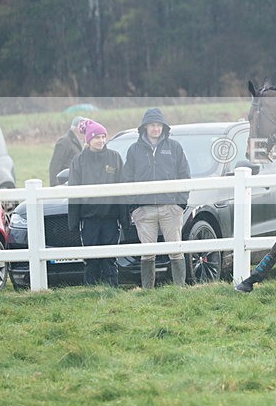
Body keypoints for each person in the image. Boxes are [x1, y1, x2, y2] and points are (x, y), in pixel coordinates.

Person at [122, 108, 191, 288]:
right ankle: (147, 290)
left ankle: (179, 288)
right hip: (144, 209)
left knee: (176, 249)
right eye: (152, 125)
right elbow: (127, 179)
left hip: (170, 207)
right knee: (147, 252)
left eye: (159, 125)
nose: (156, 129)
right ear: (145, 127)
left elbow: (185, 175)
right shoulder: (134, 150)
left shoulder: (174, 147)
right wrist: (134, 207)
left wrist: (180, 204)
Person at [67, 119, 127, 286]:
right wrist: (73, 222)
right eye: (97, 137)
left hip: (110, 218)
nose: (101, 141)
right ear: (88, 140)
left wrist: (124, 218)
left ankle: (112, 289)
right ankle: (90, 290)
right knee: (91, 260)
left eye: (103, 137)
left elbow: (122, 189)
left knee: (110, 259)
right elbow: (74, 193)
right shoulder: (79, 161)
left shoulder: (114, 158)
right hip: (89, 219)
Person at [49, 116, 85, 186]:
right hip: (64, 183)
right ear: (77, 129)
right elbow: (55, 165)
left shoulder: (80, 141)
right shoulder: (64, 142)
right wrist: (54, 186)